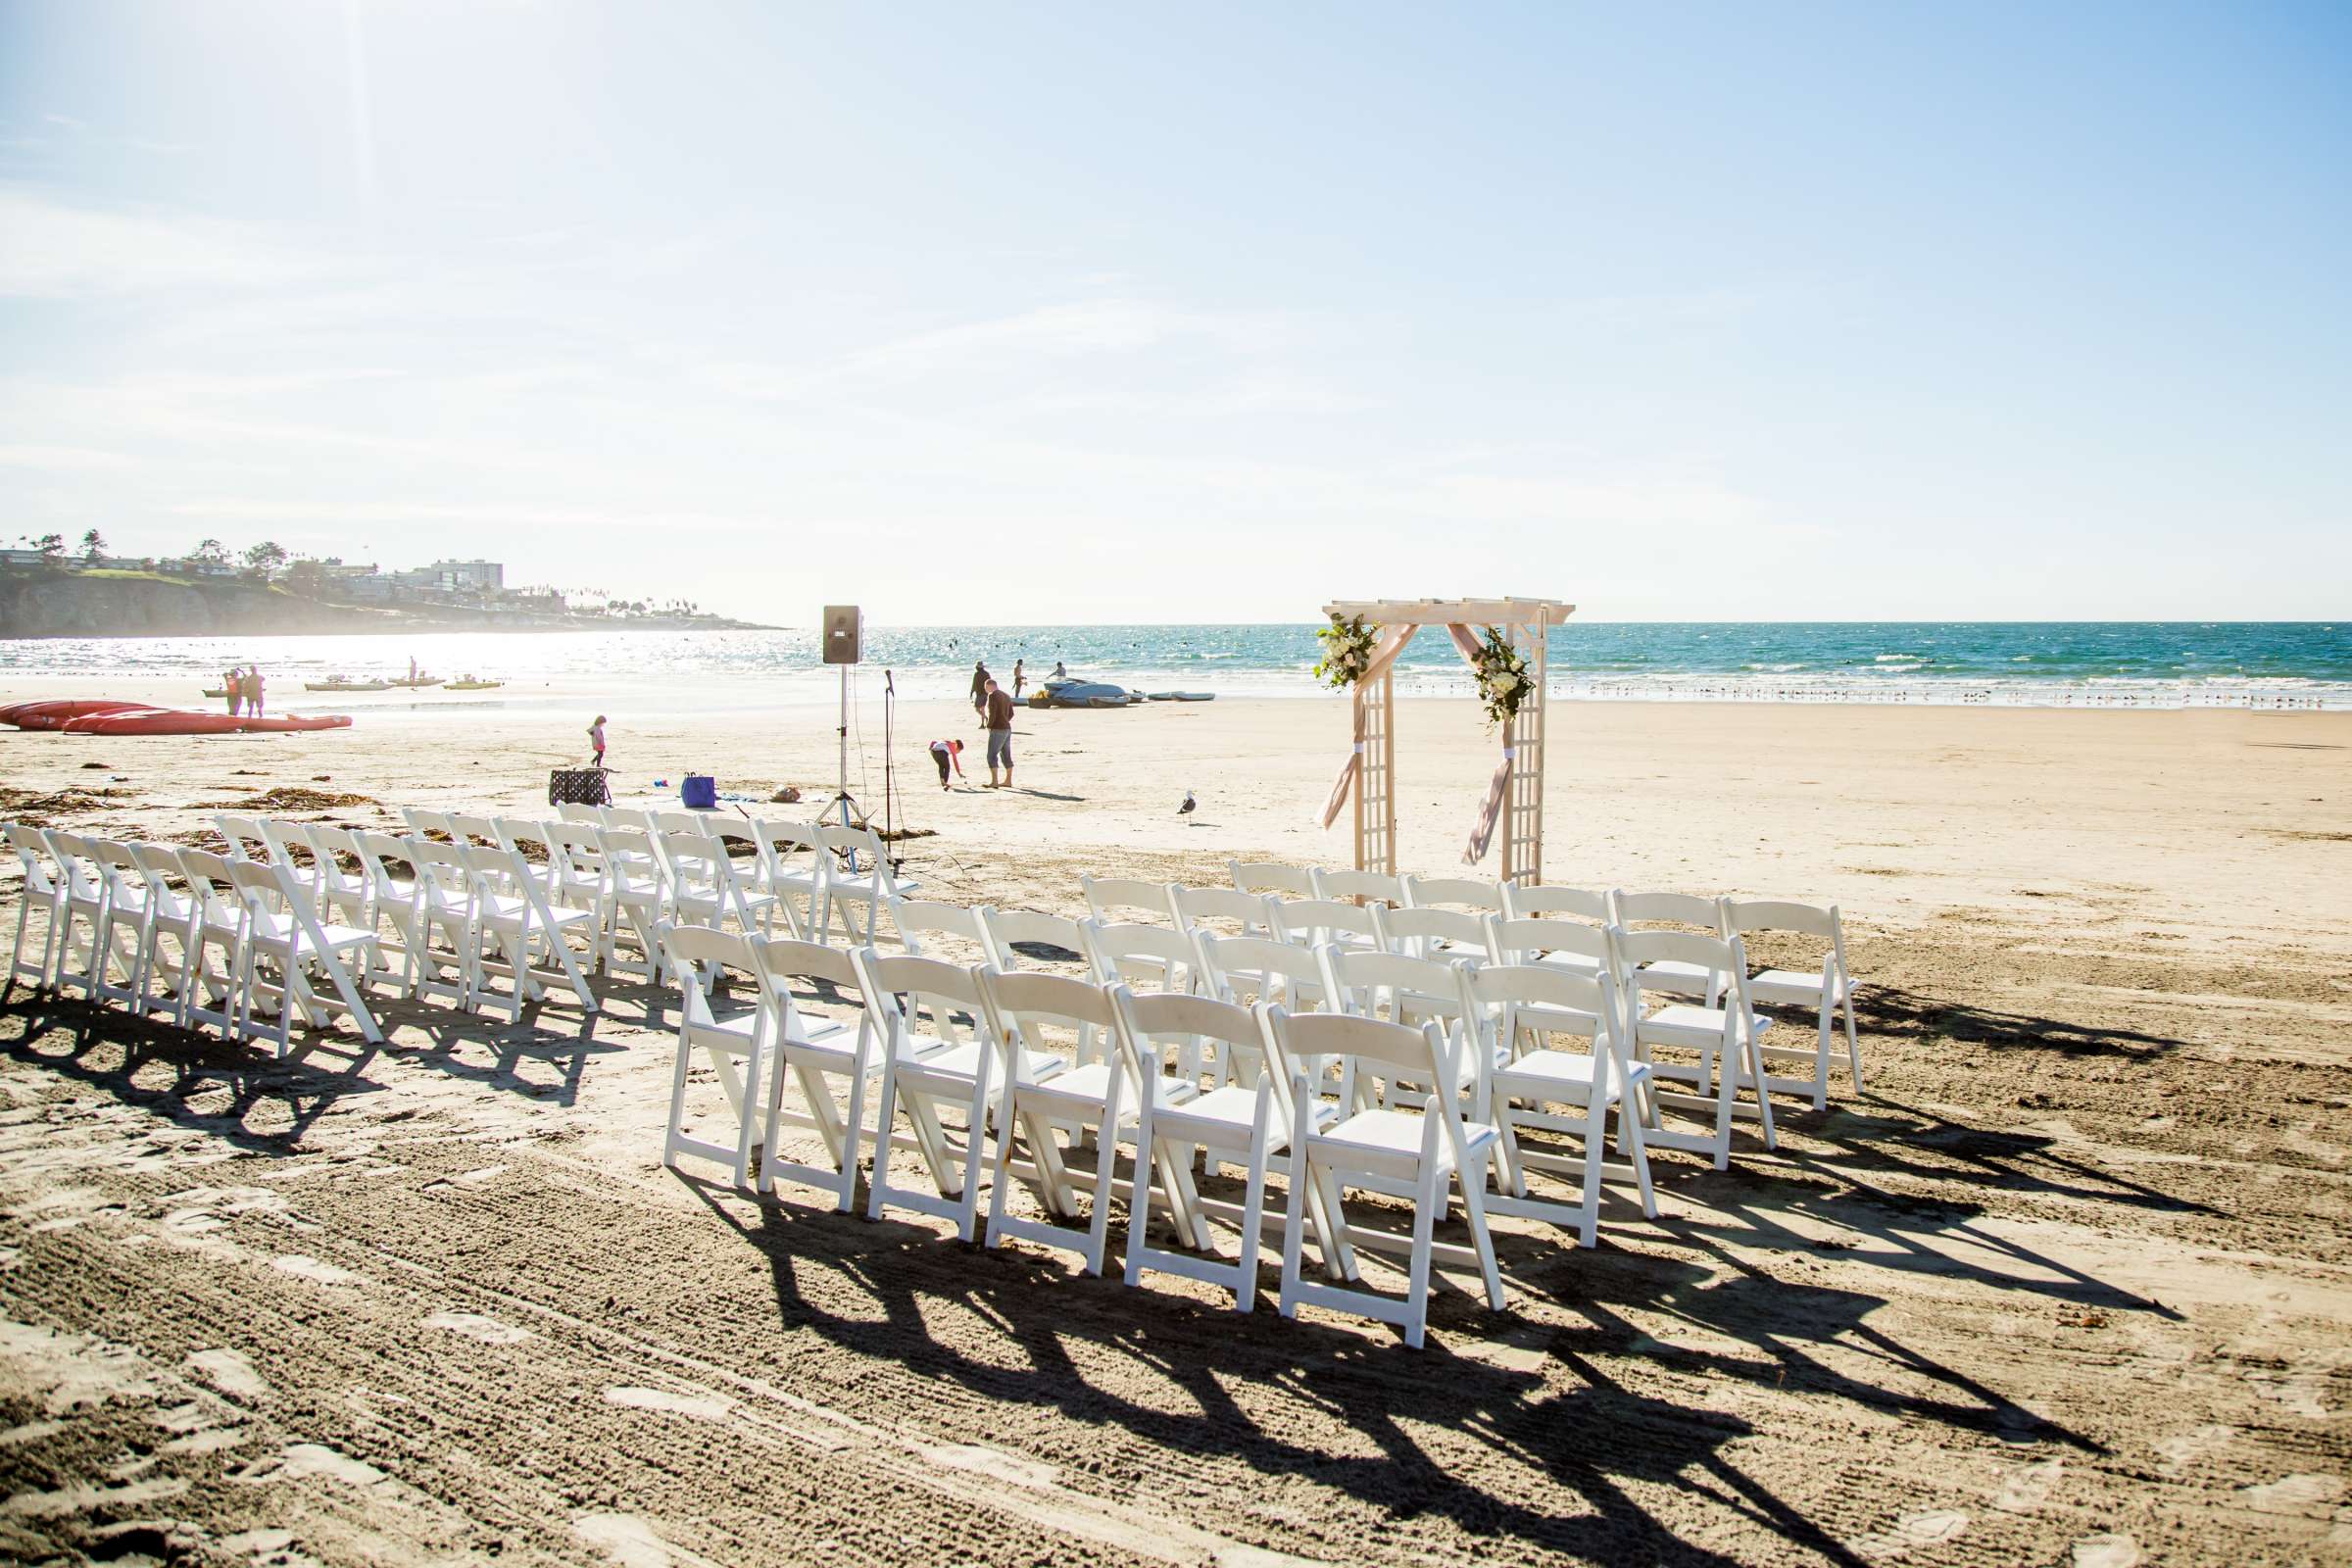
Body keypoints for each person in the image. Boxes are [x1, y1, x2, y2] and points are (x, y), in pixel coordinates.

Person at [983, 677, 1015, 788]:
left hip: (998, 729)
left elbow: (993, 713)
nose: (986, 690)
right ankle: (1008, 781)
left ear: (989, 686)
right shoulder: (1006, 695)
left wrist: (989, 726)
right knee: (1006, 755)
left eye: (985, 688)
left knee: (991, 755)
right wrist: (1005, 720)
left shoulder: (992, 695)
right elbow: (1011, 714)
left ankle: (994, 782)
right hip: (1007, 728)